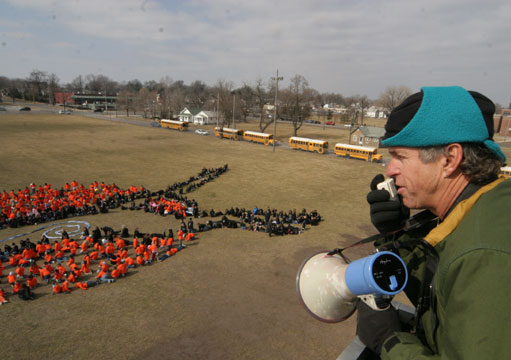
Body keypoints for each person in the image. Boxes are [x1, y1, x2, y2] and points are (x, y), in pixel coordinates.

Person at [356, 86, 511, 359]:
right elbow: (446, 294)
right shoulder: (478, 209)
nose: (390, 170)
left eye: (400, 157)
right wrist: (397, 234)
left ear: (450, 159)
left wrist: (389, 343)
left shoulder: (485, 255)